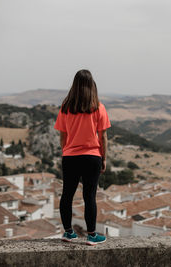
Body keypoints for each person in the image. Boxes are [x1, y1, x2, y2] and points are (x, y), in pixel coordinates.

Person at [54, 69, 111, 245]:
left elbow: (62, 136)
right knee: (89, 196)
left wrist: (67, 152)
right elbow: (103, 137)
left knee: (67, 195)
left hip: (70, 157)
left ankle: (68, 233)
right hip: (92, 157)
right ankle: (92, 236)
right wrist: (104, 158)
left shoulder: (65, 108)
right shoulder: (98, 107)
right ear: (91, 85)